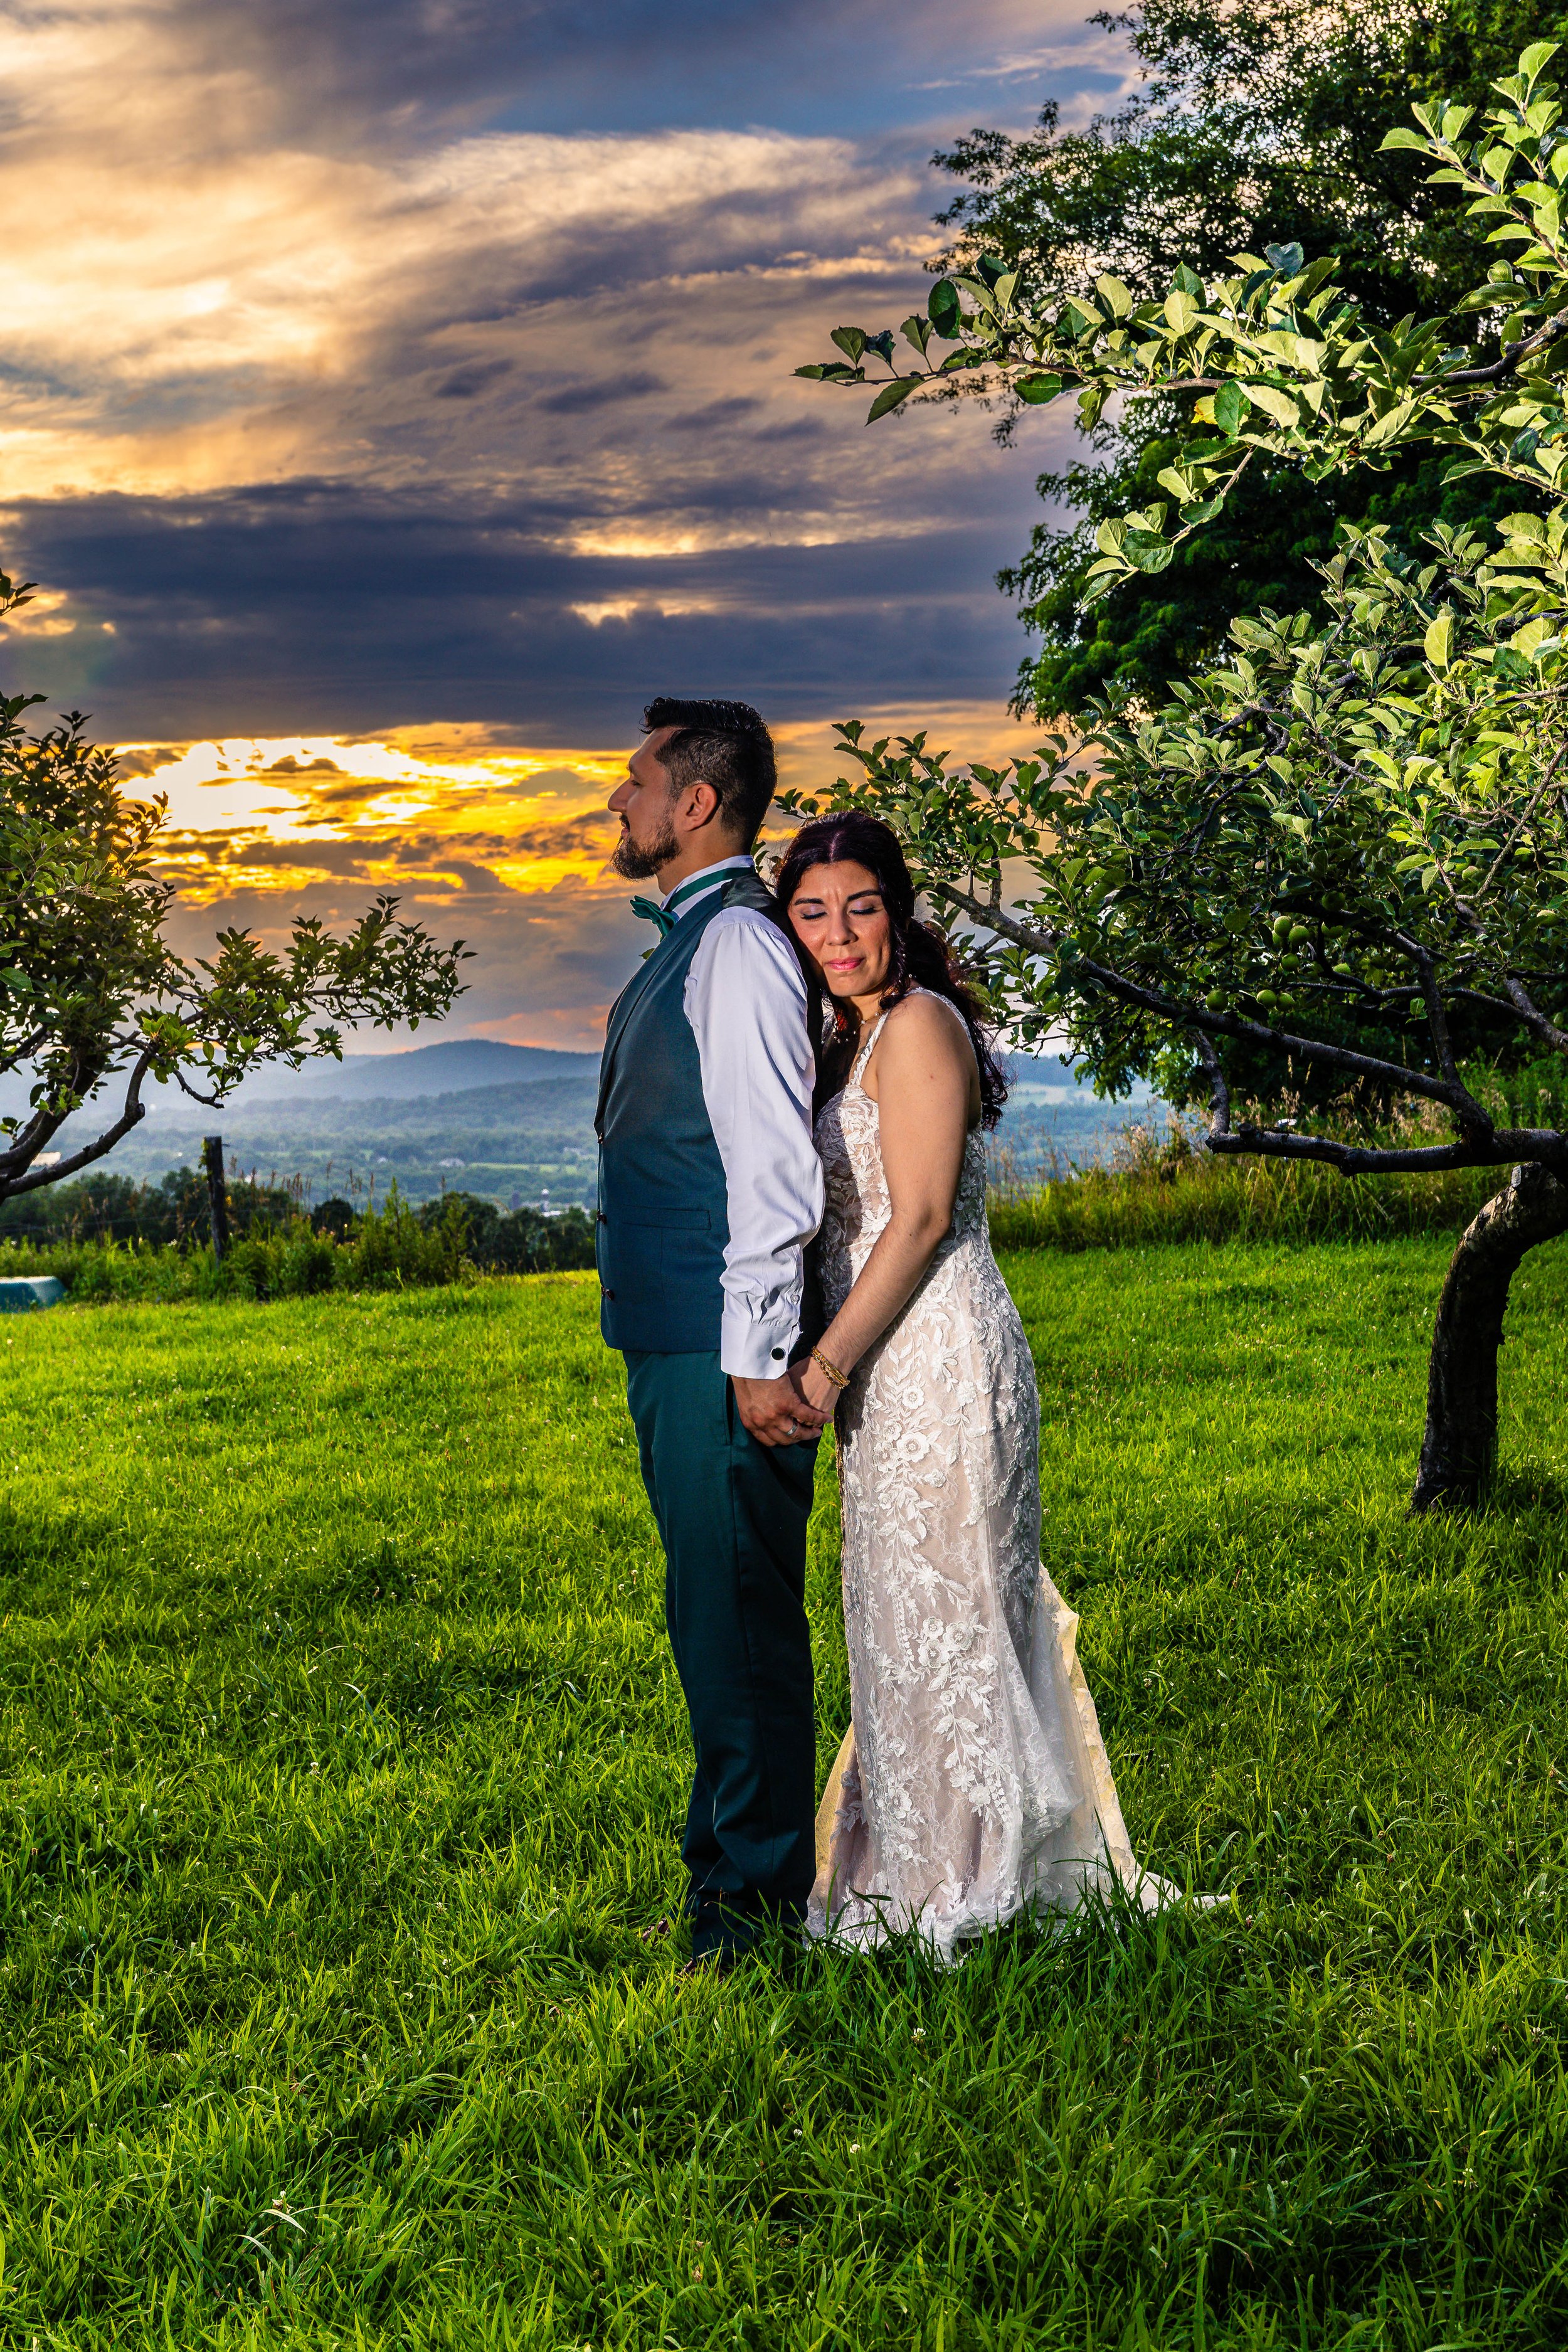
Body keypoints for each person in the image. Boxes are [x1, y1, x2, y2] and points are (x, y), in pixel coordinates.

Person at [778, 810, 1179, 1961]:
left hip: (939, 1349)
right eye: (813, 911)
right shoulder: (845, 1036)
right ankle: (911, 1862)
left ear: (896, 909)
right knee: (903, 1614)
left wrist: (823, 1366)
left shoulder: (916, 1026)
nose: (839, 933)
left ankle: (976, 1876)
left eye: (861, 906)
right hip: (884, 1358)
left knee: (953, 1608)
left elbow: (924, 1219)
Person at [596, 697, 830, 1971]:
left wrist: (753, 1360)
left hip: (715, 1348)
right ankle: (723, 1880)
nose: (616, 805)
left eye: (633, 784)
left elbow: (775, 1169)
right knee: (710, 1617)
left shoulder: (735, 946)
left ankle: (748, 1917)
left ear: (695, 803)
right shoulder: (697, 939)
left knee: (735, 1624)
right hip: (677, 1336)